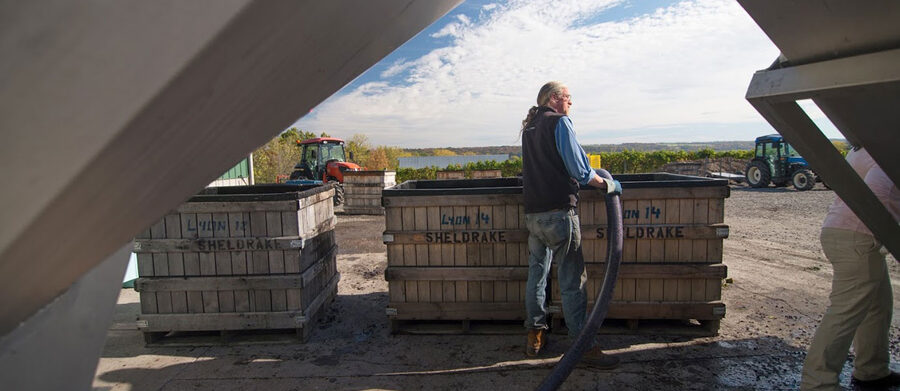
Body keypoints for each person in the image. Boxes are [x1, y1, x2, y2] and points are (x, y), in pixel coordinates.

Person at [520, 81, 622, 368]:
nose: (570, 103)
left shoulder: (529, 129)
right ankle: (582, 345)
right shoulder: (560, 122)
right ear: (554, 99)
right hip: (559, 214)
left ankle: (535, 334)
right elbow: (580, 170)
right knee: (572, 281)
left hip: (533, 216)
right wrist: (608, 185)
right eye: (568, 97)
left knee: (537, 276)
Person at [801, 147, 900, 390]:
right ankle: (817, 383)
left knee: (878, 305)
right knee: (845, 313)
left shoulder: (862, 146)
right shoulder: (886, 151)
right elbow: (882, 193)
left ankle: (872, 370)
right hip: (859, 236)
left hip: (842, 231)